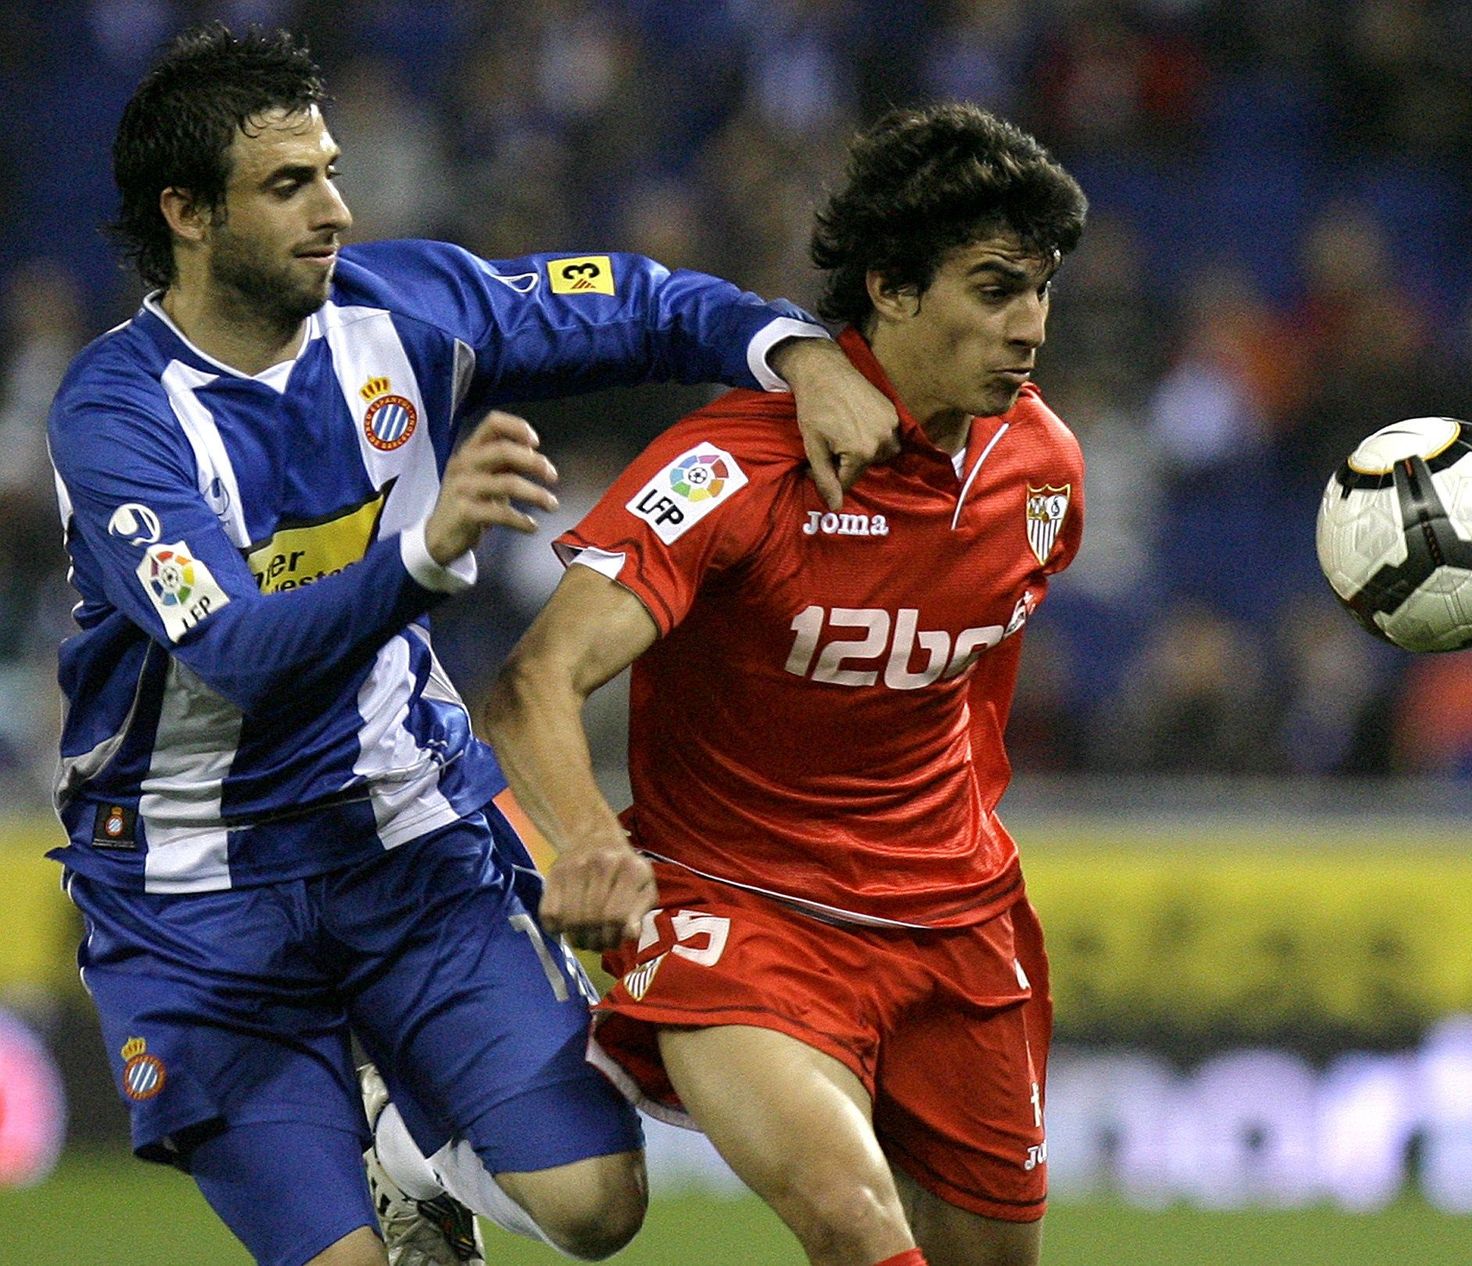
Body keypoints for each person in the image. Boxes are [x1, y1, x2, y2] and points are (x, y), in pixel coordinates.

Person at [47, 23, 898, 1266]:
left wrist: (795, 349)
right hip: (195, 892)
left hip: (407, 840)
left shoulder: (406, 310)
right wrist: (421, 555)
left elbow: (633, 305)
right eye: (288, 186)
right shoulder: (117, 415)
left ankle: (404, 1152)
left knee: (599, 1207)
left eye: (331, 171)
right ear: (186, 213)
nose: (335, 210)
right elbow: (234, 652)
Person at [483, 103, 1089, 1266]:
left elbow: (966, 700)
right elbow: (534, 680)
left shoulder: (1043, 469)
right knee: (856, 1226)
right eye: (994, 289)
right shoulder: (730, 466)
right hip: (741, 910)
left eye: (1041, 289)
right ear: (892, 288)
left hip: (956, 923)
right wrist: (590, 845)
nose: (1030, 325)